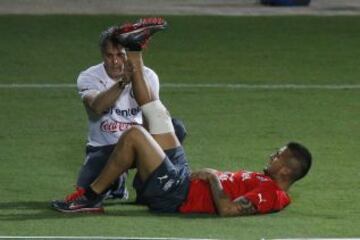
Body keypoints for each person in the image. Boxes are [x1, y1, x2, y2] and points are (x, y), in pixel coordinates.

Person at [51, 18, 312, 216]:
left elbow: (228, 210)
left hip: (176, 195)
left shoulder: (274, 194)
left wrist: (212, 177)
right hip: (181, 179)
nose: (272, 156)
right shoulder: (267, 181)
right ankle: (135, 47)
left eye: (278, 156)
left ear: (287, 170)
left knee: (135, 134)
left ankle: (90, 198)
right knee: (160, 116)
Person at [65, 20, 187, 202]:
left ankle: (145, 182)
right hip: (104, 149)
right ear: (102, 55)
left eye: (120, 55)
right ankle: (117, 182)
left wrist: (147, 149)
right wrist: (123, 82)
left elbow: (151, 115)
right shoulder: (89, 76)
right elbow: (98, 107)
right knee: (85, 186)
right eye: (109, 55)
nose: (115, 61)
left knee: (175, 127)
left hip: (136, 142)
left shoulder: (148, 76)